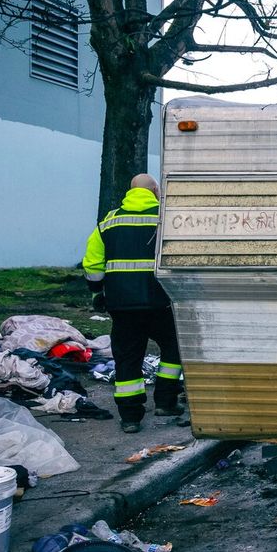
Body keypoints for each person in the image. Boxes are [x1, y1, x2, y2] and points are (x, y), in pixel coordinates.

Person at [83, 174, 185, 434]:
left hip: (122, 306)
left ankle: (130, 418)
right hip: (161, 302)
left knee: (127, 357)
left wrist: (97, 293)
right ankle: (165, 401)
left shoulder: (108, 222)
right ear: (154, 191)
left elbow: (93, 266)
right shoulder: (166, 219)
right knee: (173, 348)